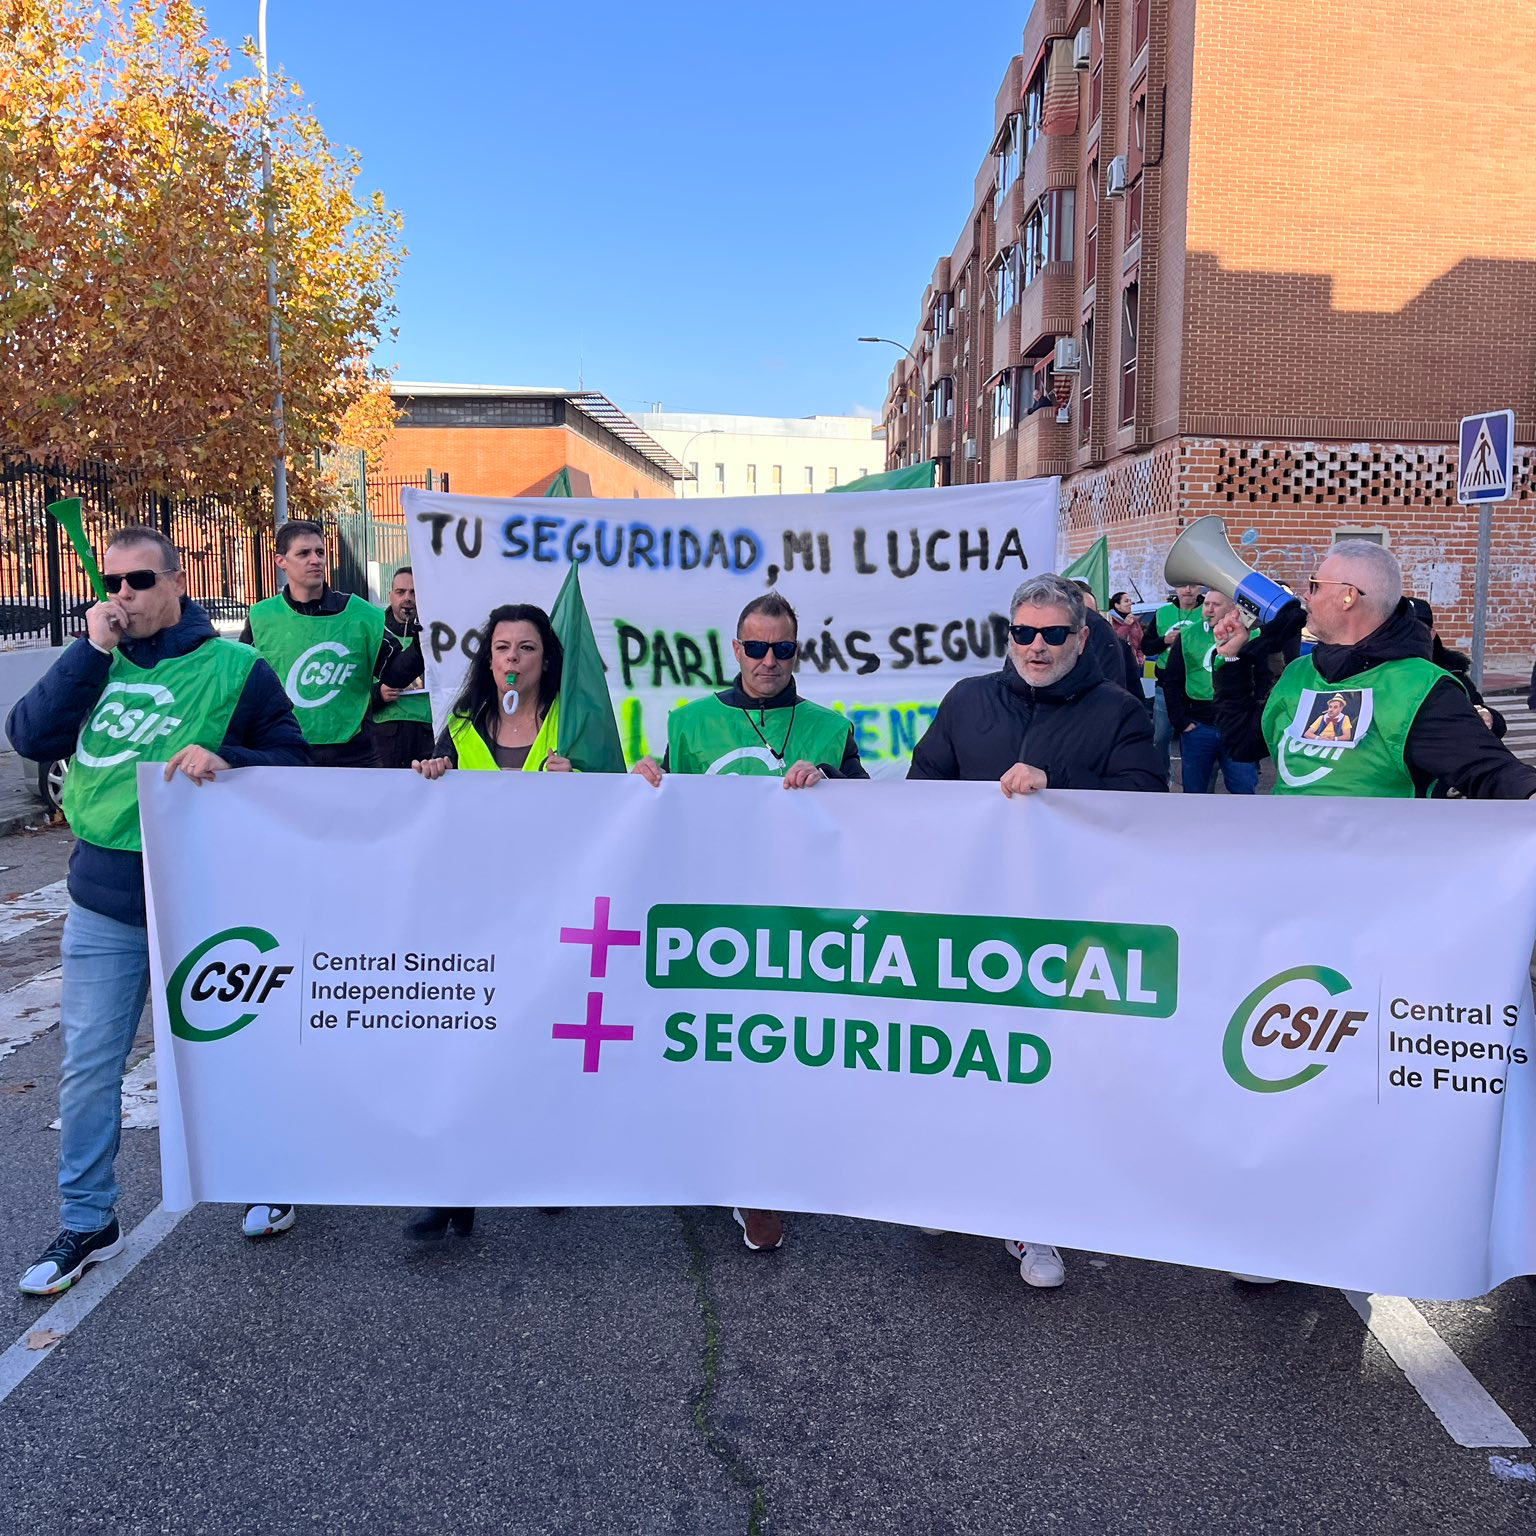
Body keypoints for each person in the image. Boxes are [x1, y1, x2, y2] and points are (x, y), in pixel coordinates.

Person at [7, 527, 308, 1294]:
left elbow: (297, 761)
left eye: (139, 580)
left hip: (207, 898)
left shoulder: (236, 668)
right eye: (110, 582)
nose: (122, 596)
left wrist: (232, 758)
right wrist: (87, 652)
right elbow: (30, 735)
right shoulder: (95, 662)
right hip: (104, 900)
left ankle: (270, 1178)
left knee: (237, 1049)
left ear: (177, 581)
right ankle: (88, 1219)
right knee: (88, 1067)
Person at [908, 573, 1165, 1290]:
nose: (1038, 646)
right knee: (962, 1062)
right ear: (1009, 636)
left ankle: (1037, 1217)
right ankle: (954, 1192)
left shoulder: (1117, 709)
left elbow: (1147, 798)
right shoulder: (966, 700)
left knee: (1047, 1073)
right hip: (972, 921)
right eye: (1025, 633)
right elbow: (920, 791)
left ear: (1083, 639)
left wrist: (1057, 788)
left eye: (1055, 633)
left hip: (1067, 929)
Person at [632, 591, 869, 1253]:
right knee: (718, 1049)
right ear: (735, 650)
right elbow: (663, 803)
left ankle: (762, 1183)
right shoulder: (689, 722)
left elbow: (872, 819)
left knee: (776, 1052)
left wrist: (831, 781)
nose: (768, 660)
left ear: (798, 652)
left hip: (795, 918)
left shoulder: (829, 727)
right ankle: (732, 1172)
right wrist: (646, 778)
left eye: (782, 649)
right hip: (711, 914)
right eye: (756, 647)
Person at [407, 603, 576, 1238]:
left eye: (525, 648)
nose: (511, 658)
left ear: (546, 657)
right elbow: (437, 791)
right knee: (467, 1042)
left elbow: (619, 799)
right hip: (473, 906)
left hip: (549, 903)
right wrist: (431, 772)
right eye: (501, 647)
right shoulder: (462, 721)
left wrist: (582, 778)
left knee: (538, 1042)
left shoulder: (574, 720)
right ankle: (458, 1186)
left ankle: (546, 1164)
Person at [1213, 539, 1536, 800]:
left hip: (1376, 869)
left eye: (1315, 585)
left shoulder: (1418, 686)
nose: (1305, 596)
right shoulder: (1299, 673)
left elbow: (1489, 771)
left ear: (1348, 596)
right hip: (1291, 859)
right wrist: (1231, 661)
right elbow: (1242, 744)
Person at [240, 520, 419, 769]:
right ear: (281, 561)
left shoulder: (361, 614)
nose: (315, 560)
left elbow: (394, 674)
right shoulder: (261, 617)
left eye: (320, 552)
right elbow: (243, 689)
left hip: (356, 755)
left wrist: (422, 647)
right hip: (287, 753)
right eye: (304, 553)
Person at [1163, 590, 1258, 794]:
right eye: (1206, 604)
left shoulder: (1252, 635)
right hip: (1199, 726)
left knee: (1244, 789)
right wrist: (1181, 721)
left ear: (1232, 608)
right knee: (1196, 791)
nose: (1208, 609)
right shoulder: (1188, 635)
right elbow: (1172, 680)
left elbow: (1264, 678)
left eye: (1216, 605)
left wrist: (1253, 723)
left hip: (1237, 728)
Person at [1141, 581, 1206, 783]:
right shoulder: (1162, 613)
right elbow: (1146, 647)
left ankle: (1195, 785)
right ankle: (1163, 781)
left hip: (1197, 689)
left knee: (1197, 740)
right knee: (1160, 738)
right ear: (1175, 589)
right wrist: (1165, 641)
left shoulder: (1210, 609)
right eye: (1183, 586)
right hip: (1165, 687)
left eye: (1193, 586)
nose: (1188, 590)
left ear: (1201, 589)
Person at [371, 566, 434, 770]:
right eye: (401, 592)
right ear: (390, 595)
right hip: (386, 729)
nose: (407, 598)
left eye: (414, 592)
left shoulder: (439, 631)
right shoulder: (373, 628)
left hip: (428, 727)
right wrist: (376, 694)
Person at [1108, 591, 1145, 665]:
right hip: (1117, 664)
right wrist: (1126, 625)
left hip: (1134, 664)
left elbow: (1141, 643)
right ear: (1117, 605)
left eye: (1130, 601)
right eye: (1126, 601)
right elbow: (1114, 640)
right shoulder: (1110, 620)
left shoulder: (1134, 621)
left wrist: (1139, 658)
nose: (1130, 603)